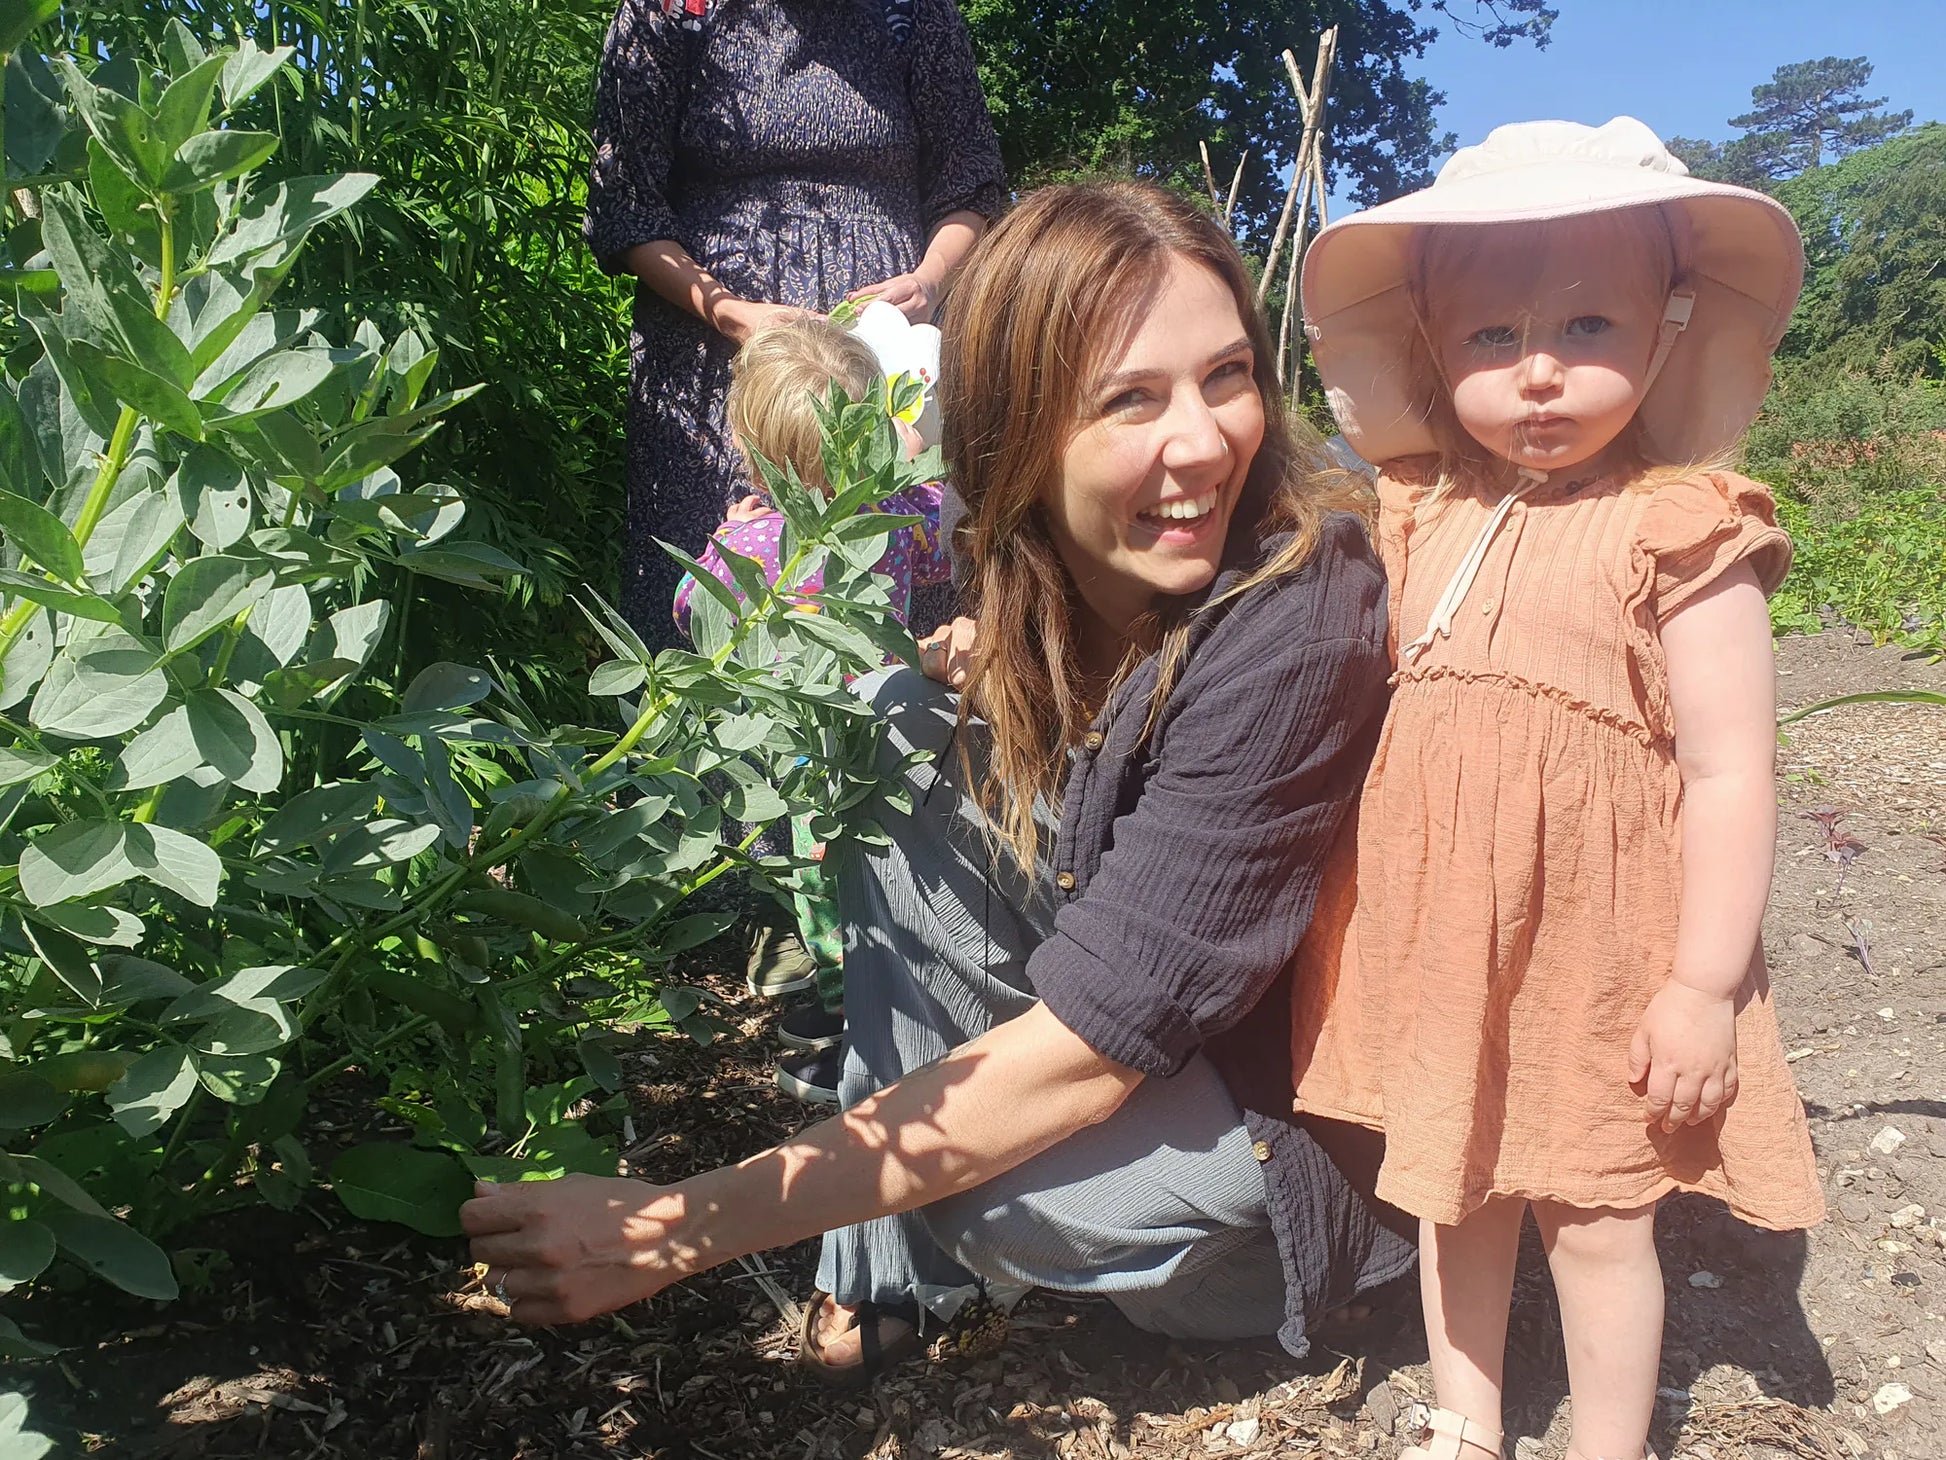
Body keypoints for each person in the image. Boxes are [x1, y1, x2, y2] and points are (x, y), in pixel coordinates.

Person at [464, 180, 1414, 1384]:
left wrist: (671, 1225)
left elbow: (1090, 1044)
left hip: (1273, 1158)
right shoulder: (1020, 562)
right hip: (1168, 1052)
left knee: (984, 1198)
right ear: (1020, 427)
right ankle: (884, 1248)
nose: (1204, 439)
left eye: (1225, 376)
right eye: (1130, 397)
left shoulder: (1295, 611)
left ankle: (914, 1251)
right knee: (884, 723)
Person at [1291, 118, 1826, 1460]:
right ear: (1430, 346)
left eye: (1586, 326)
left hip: (1597, 939)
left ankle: (1605, 1441)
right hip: (1444, 931)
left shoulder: (1680, 526)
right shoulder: (1421, 511)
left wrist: (1701, 985)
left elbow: (1725, 767)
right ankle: (1463, 1417)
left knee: (1595, 1208)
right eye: (1488, 340)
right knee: (1451, 1182)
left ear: (1662, 332)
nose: (1537, 372)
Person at [585, 0, 1005, 653]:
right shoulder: (671, 10)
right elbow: (624, 204)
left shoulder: (914, 12)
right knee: (721, 622)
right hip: (718, 375)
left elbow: (971, 186)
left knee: (901, 589)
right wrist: (730, 310)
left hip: (889, 373)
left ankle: (897, 748)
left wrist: (929, 279)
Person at [672, 314, 952, 1100]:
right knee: (893, 878)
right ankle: (894, 1013)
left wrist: (718, 545)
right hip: (886, 726)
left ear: (747, 446)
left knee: (824, 893)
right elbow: (942, 547)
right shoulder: (895, 516)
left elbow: (691, 608)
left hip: (805, 749)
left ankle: (857, 1046)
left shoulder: (758, 544)